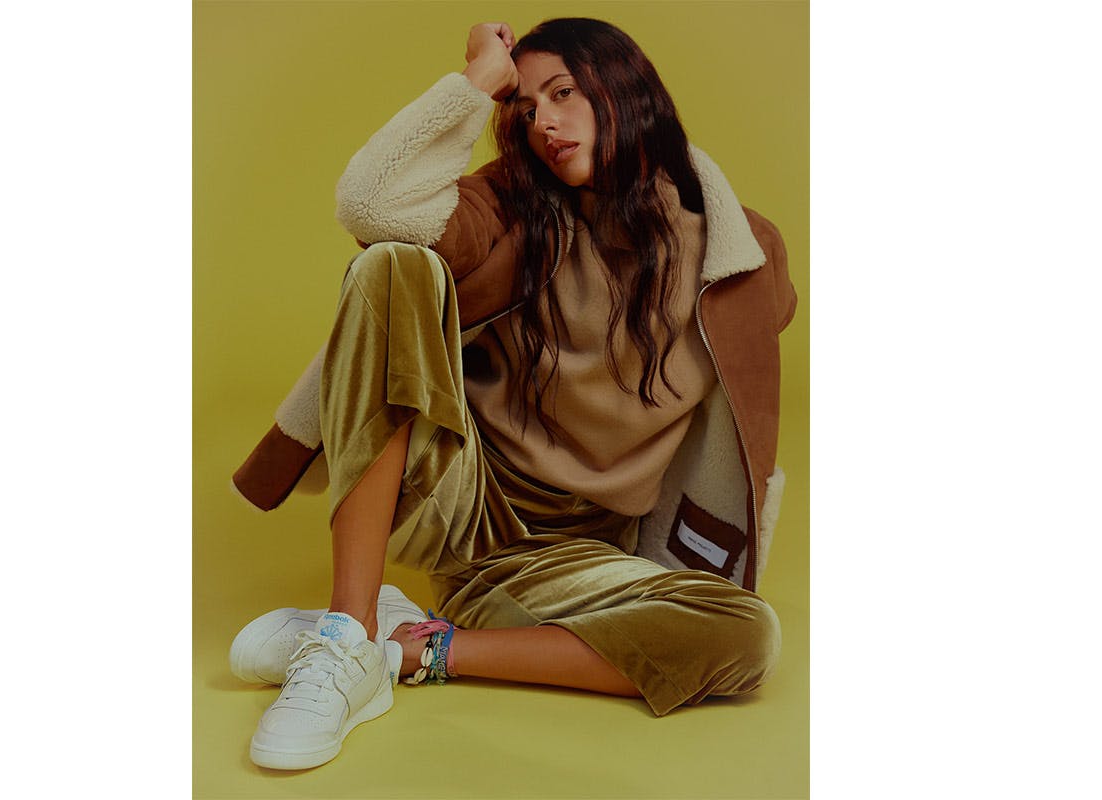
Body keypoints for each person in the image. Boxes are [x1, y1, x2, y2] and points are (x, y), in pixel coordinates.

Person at [229, 18, 796, 771]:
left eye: (562, 94)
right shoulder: (513, 210)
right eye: (525, 109)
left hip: (576, 552)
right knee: (392, 267)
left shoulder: (740, 253)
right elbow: (371, 206)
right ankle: (345, 632)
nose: (543, 124)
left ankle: (406, 649)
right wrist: (476, 81)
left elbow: (748, 406)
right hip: (460, 499)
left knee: (747, 635)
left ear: (625, 88)